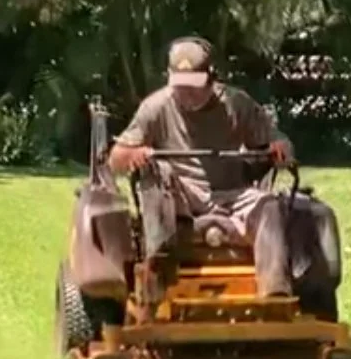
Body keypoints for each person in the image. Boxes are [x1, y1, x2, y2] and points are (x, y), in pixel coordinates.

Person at [108, 37, 295, 296]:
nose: (187, 94)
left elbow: (277, 139)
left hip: (232, 194)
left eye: (194, 86)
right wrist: (134, 154)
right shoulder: (156, 107)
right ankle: (158, 277)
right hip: (179, 198)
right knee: (158, 173)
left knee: (270, 206)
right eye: (180, 86)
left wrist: (279, 149)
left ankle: (275, 290)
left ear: (211, 78)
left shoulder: (235, 104)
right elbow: (116, 157)